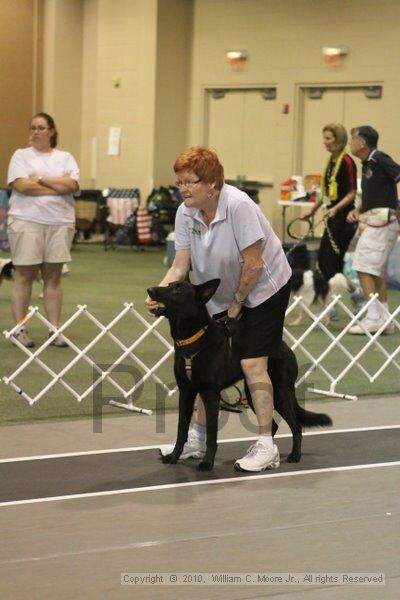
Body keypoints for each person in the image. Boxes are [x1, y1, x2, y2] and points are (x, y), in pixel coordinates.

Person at [145, 146, 292, 472]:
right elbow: (180, 266)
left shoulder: (238, 206)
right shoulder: (185, 212)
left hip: (265, 289)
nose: (183, 188)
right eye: (179, 181)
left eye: (191, 181)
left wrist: (237, 304)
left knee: (252, 361)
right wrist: (162, 294)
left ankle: (267, 445)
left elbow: (254, 265)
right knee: (204, 362)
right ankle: (197, 440)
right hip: (223, 291)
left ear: (212, 184)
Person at [7, 112, 79, 347]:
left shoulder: (65, 157)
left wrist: (38, 179)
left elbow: (73, 184)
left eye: (40, 127)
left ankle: (54, 329)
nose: (35, 132)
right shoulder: (20, 155)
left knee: (53, 277)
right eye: (32, 128)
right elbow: (21, 185)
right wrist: (57, 186)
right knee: (24, 274)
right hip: (26, 221)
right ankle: (19, 328)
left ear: (52, 131)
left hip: (60, 223)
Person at [302, 123, 361, 315]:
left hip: (345, 220)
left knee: (333, 264)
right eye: (324, 138)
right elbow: (325, 193)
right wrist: (313, 210)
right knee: (325, 261)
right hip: (332, 219)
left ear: (339, 139)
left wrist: (336, 208)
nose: (325, 142)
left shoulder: (347, 162)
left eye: (329, 138)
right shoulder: (330, 162)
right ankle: (333, 302)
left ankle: (353, 296)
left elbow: (352, 193)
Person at [347, 126, 400, 335]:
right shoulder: (368, 163)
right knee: (374, 268)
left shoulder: (378, 158)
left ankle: (373, 317)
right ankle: (385, 318)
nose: (350, 144)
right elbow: (378, 191)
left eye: (352, 140)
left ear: (361, 143)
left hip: (382, 222)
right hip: (374, 219)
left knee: (363, 265)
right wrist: (359, 209)